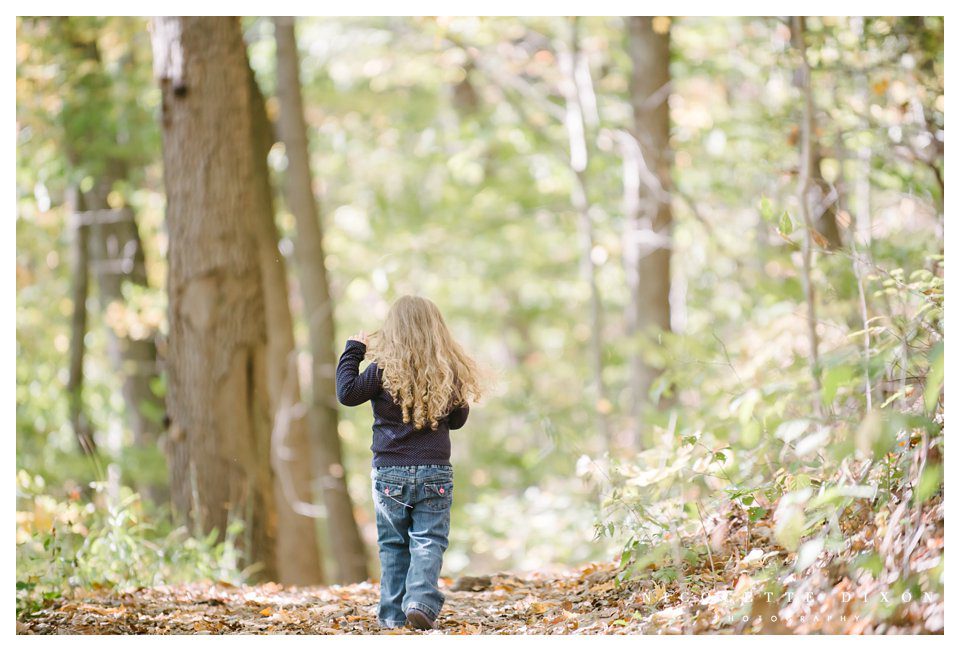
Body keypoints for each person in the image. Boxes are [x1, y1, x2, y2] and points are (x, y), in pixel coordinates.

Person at [336, 295, 482, 630]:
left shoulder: (382, 370)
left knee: (393, 544)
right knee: (429, 539)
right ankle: (420, 601)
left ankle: (392, 616)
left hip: (389, 472)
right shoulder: (447, 370)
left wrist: (353, 350)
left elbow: (347, 393)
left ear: (393, 329)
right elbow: (458, 420)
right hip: (435, 472)